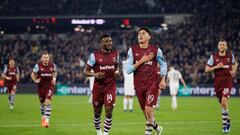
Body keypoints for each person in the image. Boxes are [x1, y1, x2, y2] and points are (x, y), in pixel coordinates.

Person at [126, 27, 167, 135]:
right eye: (139, 34)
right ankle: (157, 128)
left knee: (149, 110)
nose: (140, 35)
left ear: (149, 36)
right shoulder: (132, 50)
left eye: (143, 33)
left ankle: (147, 133)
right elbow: (128, 70)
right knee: (146, 114)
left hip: (152, 84)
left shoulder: (155, 50)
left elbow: (163, 64)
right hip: (139, 85)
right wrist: (141, 61)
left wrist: (163, 79)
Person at [84, 34, 119, 135]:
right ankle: (99, 132)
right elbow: (85, 71)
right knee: (97, 113)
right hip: (98, 88)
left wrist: (117, 72)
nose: (109, 43)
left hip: (110, 87)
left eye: (110, 41)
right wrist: (95, 74)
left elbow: (116, 67)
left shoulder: (116, 54)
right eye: (106, 41)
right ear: (101, 43)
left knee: (109, 110)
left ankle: (105, 134)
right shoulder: (94, 56)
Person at [205, 39, 237, 133]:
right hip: (217, 83)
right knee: (223, 105)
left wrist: (233, 71)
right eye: (220, 44)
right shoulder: (213, 57)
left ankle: (225, 125)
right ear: (218, 46)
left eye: (223, 44)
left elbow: (235, 64)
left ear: (226, 47)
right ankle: (228, 120)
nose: (222, 46)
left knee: (224, 101)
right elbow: (206, 69)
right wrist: (216, 67)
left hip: (227, 82)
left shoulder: (230, 56)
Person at [31, 51, 57, 128]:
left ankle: (46, 121)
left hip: (49, 86)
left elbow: (55, 72)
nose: (46, 59)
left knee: (48, 102)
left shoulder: (52, 65)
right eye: (44, 57)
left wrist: (54, 79)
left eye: (47, 57)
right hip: (41, 87)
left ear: (49, 58)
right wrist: (35, 80)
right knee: (42, 104)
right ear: (41, 58)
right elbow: (32, 74)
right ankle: (43, 117)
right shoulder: (38, 66)